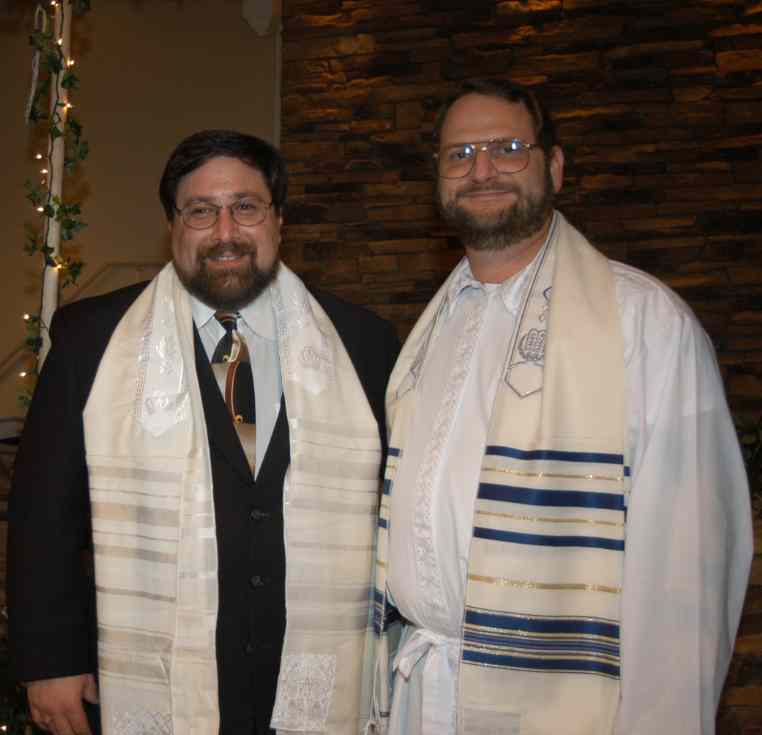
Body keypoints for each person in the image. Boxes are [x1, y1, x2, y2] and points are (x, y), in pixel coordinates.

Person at [369, 79, 753, 735]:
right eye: (460, 155)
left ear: (554, 166)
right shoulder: (433, 331)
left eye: (507, 148)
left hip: (565, 707)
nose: (482, 170)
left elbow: (685, 576)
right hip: (421, 693)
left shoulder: (642, 323)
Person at [8, 129, 400, 735]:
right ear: (172, 225)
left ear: (279, 220)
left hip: (315, 665)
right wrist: (49, 658)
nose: (224, 232)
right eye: (200, 211)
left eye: (245, 207)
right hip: (154, 664)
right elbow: (43, 511)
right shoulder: (93, 338)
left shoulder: (361, 343)